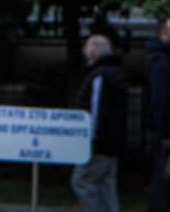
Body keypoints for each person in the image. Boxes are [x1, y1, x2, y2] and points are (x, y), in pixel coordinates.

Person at [72, 34, 128, 212]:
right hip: (113, 142)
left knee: (82, 180)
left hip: (99, 142)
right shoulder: (117, 73)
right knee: (106, 185)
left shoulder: (99, 76)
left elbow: (96, 111)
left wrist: (91, 139)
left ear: (93, 51)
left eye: (86, 47)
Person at [146, 17, 170, 212]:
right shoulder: (162, 63)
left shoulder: (159, 59)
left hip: (161, 130)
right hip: (163, 132)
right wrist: (165, 132)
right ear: (163, 33)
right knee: (165, 180)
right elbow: (159, 101)